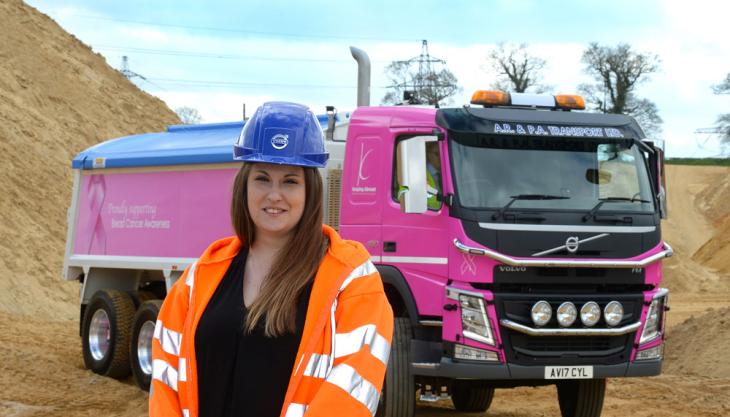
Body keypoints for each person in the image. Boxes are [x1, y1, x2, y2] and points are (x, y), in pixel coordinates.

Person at [149, 102, 394, 417]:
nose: (274, 194)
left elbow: (351, 395)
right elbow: (165, 376)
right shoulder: (204, 274)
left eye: (290, 181)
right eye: (262, 178)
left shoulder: (351, 281)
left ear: (310, 191)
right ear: (244, 187)